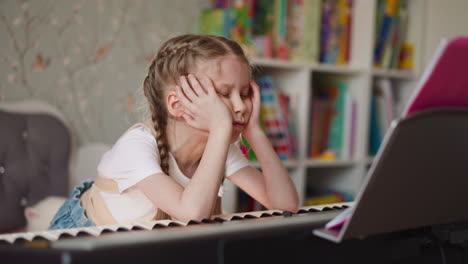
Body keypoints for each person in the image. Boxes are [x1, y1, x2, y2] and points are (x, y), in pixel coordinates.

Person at [49, 34, 299, 230]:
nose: (241, 106)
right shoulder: (136, 146)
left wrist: (255, 132)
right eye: (224, 94)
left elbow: (285, 205)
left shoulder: (220, 149)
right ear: (178, 105)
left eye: (244, 94)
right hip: (80, 242)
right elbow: (192, 214)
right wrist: (222, 127)